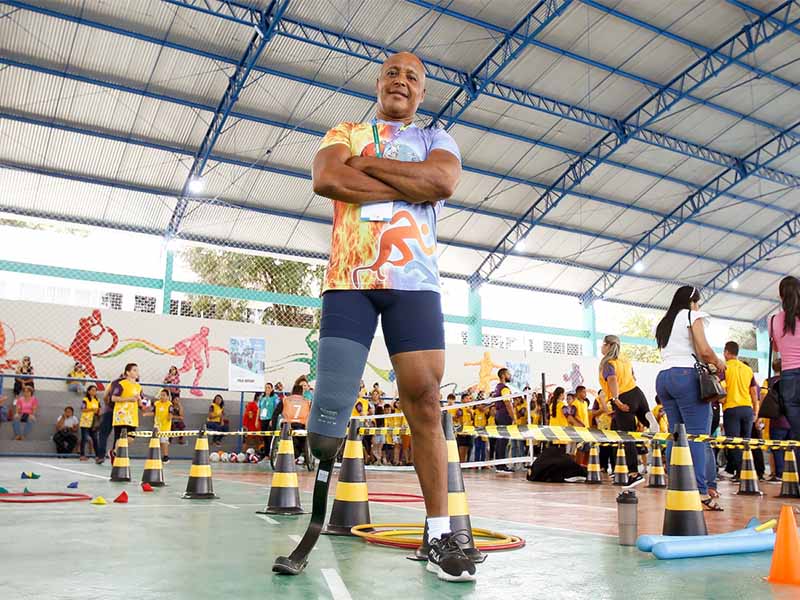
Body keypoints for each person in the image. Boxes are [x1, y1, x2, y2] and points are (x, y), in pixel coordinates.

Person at [293, 51, 471, 583]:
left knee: (426, 400)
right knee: (328, 412)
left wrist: (366, 168)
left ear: (421, 94)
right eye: (393, 73)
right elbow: (327, 179)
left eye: (413, 77)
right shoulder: (344, 130)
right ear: (379, 83)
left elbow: (441, 182)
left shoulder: (438, 139)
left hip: (413, 285)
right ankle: (314, 522)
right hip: (349, 281)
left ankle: (439, 533)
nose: (402, 81)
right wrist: (405, 186)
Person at [655, 286, 726, 511]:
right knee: (697, 437)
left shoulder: (664, 322)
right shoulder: (692, 315)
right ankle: (701, 492)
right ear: (693, 301)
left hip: (664, 378)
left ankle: (676, 487)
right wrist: (719, 362)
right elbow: (703, 350)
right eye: (698, 302)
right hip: (686, 376)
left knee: (675, 436)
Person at [598, 335, 651, 485]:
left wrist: (616, 400)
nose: (602, 348)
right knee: (623, 429)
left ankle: (634, 473)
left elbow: (612, 380)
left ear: (607, 345)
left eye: (602, 345)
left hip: (623, 398)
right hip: (637, 392)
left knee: (627, 437)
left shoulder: (608, 363)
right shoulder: (625, 360)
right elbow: (634, 376)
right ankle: (648, 419)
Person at [769, 276, 800, 467]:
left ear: (781, 296)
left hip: (788, 379)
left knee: (797, 435)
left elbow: (776, 349)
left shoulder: (774, 320)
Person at [719, 341, 759, 481]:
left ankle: (737, 472)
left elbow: (721, 388)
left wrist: (721, 401)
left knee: (734, 442)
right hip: (747, 409)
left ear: (726, 352)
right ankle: (746, 472)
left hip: (732, 408)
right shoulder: (747, 369)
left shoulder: (724, 367)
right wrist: (755, 411)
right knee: (745, 441)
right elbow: (754, 392)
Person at [110, 363, 143, 447]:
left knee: (131, 438)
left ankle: (114, 451)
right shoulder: (121, 384)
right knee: (120, 437)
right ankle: (115, 454)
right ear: (128, 372)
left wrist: (140, 400)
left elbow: (140, 404)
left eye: (137, 370)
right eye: (134, 370)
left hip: (132, 416)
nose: (137, 372)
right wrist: (129, 399)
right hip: (122, 415)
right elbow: (113, 398)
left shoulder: (138, 386)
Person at [491, 368, 516, 473]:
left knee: (500, 440)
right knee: (503, 440)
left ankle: (499, 464)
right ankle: (501, 466)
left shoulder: (497, 387)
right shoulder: (504, 388)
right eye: (508, 374)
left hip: (499, 415)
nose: (510, 376)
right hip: (504, 415)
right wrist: (513, 417)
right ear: (503, 375)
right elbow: (507, 403)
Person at [278, 384, 311, 463]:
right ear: (302, 391)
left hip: (287, 424)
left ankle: (290, 455)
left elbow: (276, 413)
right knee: (301, 441)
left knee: (290, 439)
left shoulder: (286, 400)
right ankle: (298, 455)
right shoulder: (307, 401)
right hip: (300, 424)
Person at [146, 389, 173, 462]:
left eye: (164, 395)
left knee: (163, 442)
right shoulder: (156, 403)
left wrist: (169, 416)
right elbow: (153, 412)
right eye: (161, 395)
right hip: (157, 426)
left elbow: (170, 413)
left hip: (165, 427)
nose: (162, 397)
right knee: (156, 441)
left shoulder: (169, 404)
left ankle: (166, 457)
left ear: (167, 396)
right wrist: (146, 414)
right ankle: (155, 456)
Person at [78, 385, 100, 461]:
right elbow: (83, 409)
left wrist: (98, 412)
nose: (94, 392)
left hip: (93, 422)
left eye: (95, 390)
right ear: (88, 391)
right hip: (85, 421)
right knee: (84, 438)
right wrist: (92, 409)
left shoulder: (97, 400)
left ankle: (98, 455)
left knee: (95, 439)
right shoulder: (85, 399)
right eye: (92, 390)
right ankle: (82, 455)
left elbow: (99, 410)